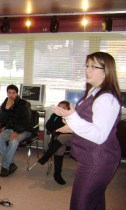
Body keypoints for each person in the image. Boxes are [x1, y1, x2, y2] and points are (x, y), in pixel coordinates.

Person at [53, 52, 121, 210]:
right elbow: (88, 122)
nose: (87, 70)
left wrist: (72, 117)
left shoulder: (106, 98)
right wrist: (70, 124)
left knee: (81, 204)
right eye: (87, 65)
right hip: (90, 157)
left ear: (106, 70)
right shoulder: (93, 91)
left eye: (93, 66)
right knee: (94, 202)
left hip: (98, 160)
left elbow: (99, 135)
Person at [0, 84, 32, 177]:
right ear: (7, 93)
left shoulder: (24, 104)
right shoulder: (6, 102)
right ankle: (10, 163)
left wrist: (16, 132)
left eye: (13, 93)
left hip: (24, 130)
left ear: (17, 93)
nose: (11, 95)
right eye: (9, 92)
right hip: (10, 128)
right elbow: (1, 120)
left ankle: (5, 166)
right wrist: (5, 109)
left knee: (14, 141)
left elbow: (26, 121)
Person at [38, 100, 72, 185]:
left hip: (70, 139)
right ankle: (57, 174)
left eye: (64, 108)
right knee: (59, 146)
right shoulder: (54, 115)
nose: (61, 109)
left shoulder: (69, 117)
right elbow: (48, 126)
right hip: (59, 140)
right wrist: (55, 130)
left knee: (61, 138)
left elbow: (69, 129)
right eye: (59, 107)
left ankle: (47, 155)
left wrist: (57, 129)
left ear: (68, 109)